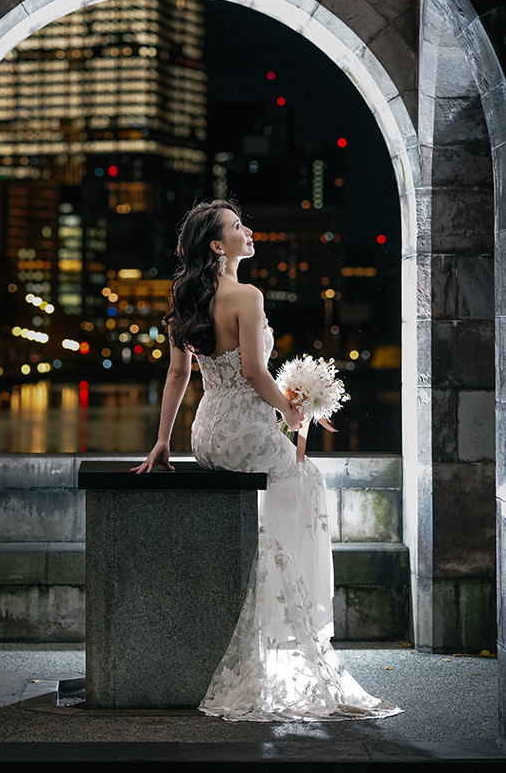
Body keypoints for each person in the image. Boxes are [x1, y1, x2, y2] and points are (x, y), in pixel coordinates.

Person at [133, 199, 400, 722]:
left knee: (289, 490)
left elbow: (177, 376)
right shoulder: (247, 296)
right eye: (237, 227)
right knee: (308, 482)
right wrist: (293, 412)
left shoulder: (187, 297)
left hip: (207, 435)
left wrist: (162, 441)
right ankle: (294, 624)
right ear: (217, 245)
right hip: (247, 431)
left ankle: (276, 620)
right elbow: (256, 372)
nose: (248, 230)